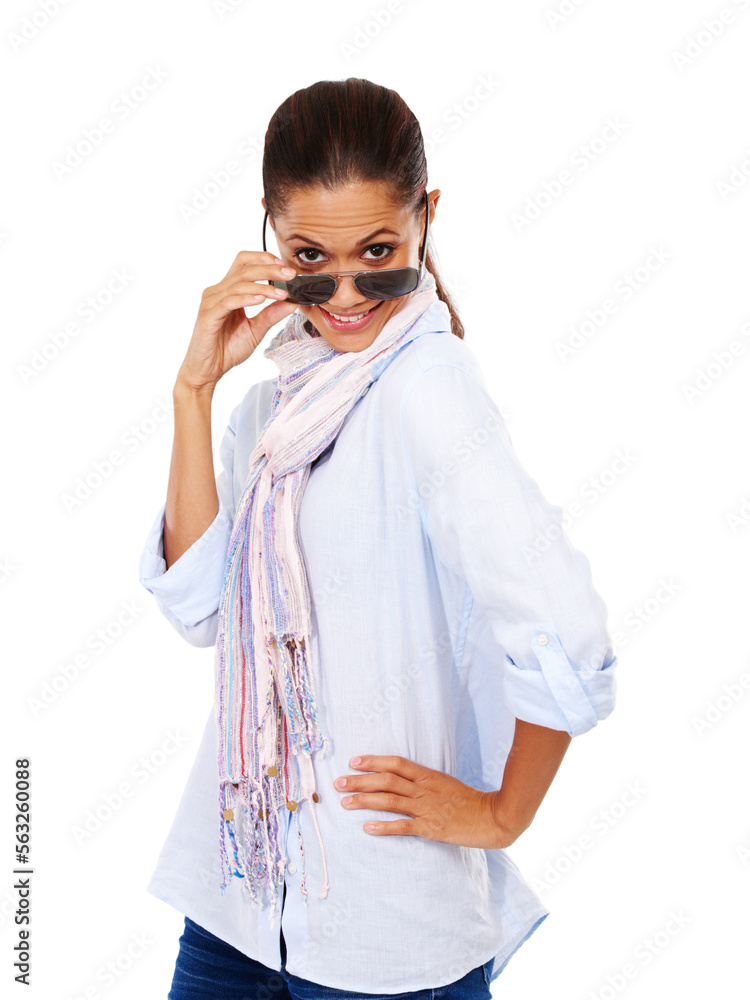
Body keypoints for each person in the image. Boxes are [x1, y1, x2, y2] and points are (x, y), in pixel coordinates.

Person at [138, 77, 618, 1000]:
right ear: (272, 236)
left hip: (382, 927)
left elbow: (566, 625)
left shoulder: (426, 385)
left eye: (382, 254)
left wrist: (503, 811)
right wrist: (193, 392)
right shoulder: (275, 410)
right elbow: (201, 608)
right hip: (242, 895)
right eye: (312, 257)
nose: (348, 294)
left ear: (427, 219)